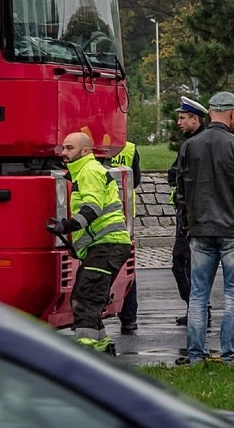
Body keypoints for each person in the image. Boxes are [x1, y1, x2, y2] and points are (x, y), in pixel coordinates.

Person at [176, 91, 234, 367]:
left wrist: (188, 225)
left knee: (198, 295)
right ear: (233, 113)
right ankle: (231, 356)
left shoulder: (190, 146)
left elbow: (181, 191)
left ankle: (196, 356)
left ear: (210, 112)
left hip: (200, 230)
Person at [46, 132, 133, 354]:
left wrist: (66, 226)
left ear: (85, 151)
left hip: (107, 245)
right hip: (107, 246)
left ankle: (86, 352)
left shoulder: (90, 172)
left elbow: (92, 209)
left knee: (85, 298)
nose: (63, 153)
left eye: (69, 148)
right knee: (88, 295)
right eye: (63, 148)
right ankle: (103, 345)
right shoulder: (84, 171)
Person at [166, 96, 209, 327]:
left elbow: (180, 175)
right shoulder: (190, 143)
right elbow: (174, 173)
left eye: (183, 118)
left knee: (183, 263)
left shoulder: (197, 144)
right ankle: (197, 307)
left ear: (195, 119)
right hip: (186, 213)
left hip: (192, 214)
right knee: (185, 263)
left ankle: (199, 308)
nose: (179, 122)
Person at [112, 140, 141, 334]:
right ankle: (129, 318)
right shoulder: (130, 147)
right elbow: (136, 180)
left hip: (96, 216)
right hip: (123, 213)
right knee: (127, 267)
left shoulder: (83, 144)